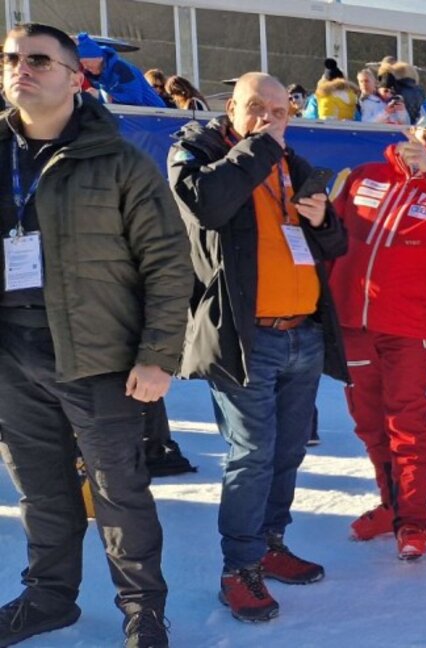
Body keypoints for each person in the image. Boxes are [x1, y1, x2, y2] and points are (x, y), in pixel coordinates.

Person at [0, 23, 190, 647]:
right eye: (10, 58)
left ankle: (143, 610)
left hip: (97, 357)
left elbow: (167, 263)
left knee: (118, 494)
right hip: (11, 355)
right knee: (42, 491)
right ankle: (49, 598)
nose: (21, 68)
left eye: (39, 60)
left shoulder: (118, 161)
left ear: (75, 77)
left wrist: (159, 354)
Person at [170, 71, 347, 624]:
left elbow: (334, 246)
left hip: (304, 333)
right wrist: (259, 147)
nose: (273, 118)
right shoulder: (197, 152)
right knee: (252, 455)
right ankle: (238, 567)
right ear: (232, 109)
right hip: (247, 337)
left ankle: (271, 541)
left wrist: (324, 221)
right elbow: (206, 205)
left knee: (290, 450)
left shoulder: (293, 165)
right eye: (258, 108)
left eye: (282, 110)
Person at [330, 111, 426, 561]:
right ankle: (391, 505)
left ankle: (414, 522)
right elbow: (328, 234)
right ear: (412, 134)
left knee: (408, 426)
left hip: (408, 328)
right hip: (353, 323)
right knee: (369, 424)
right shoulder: (364, 176)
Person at [72, 32, 164, 107]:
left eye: (86, 63)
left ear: (98, 58)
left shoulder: (122, 69)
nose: (85, 67)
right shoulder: (99, 75)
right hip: (137, 120)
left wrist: (100, 96)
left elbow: (135, 98)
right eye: (82, 64)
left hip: (156, 116)